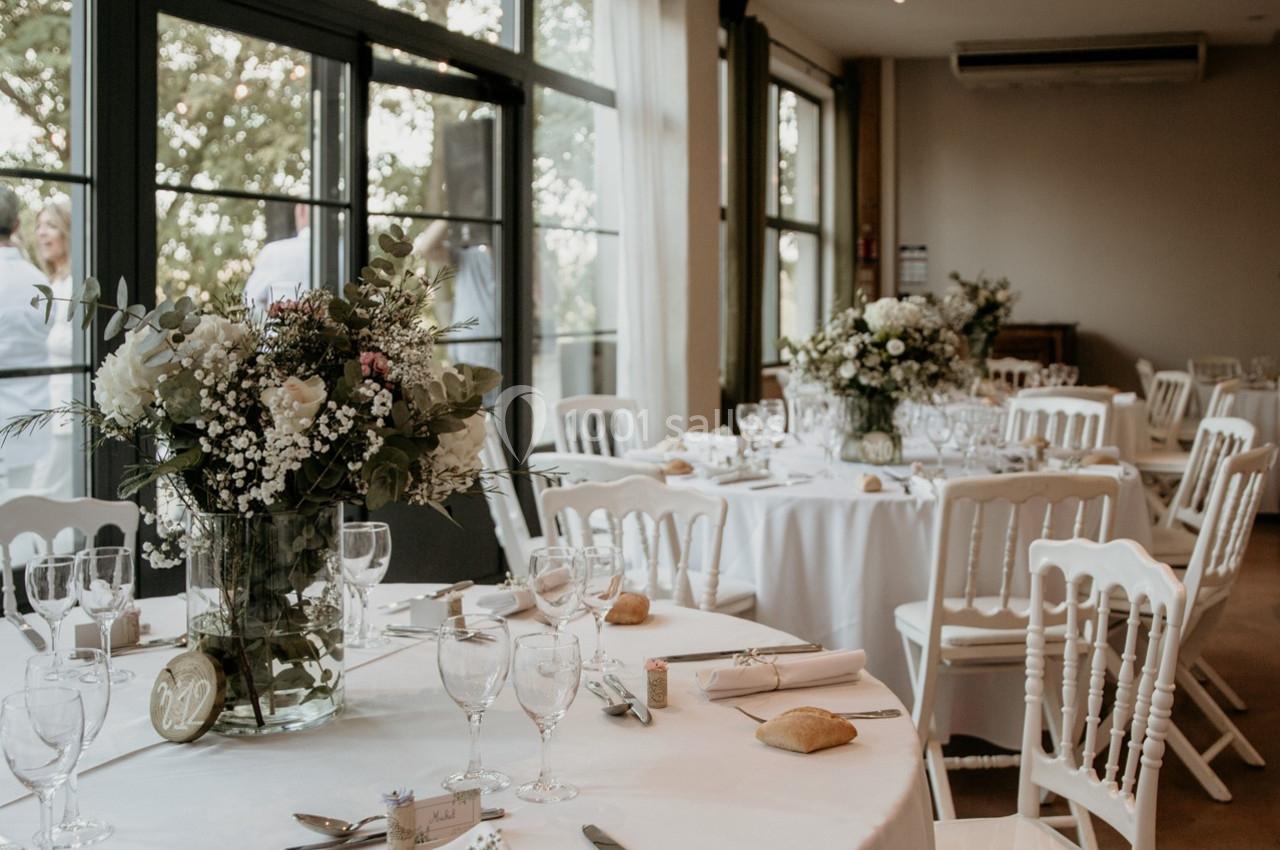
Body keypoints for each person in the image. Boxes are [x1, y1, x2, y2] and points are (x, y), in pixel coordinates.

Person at [0, 184, 53, 493]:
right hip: (30, 417)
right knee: (22, 507)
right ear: (17, 225)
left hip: (17, 417)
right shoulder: (37, 280)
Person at [416, 219, 500, 373]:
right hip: (470, 353)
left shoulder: (514, 258)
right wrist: (453, 215)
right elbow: (426, 248)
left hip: (502, 352)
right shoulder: (468, 257)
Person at [33, 198, 75, 498]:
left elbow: (76, 342)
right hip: (44, 406)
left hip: (66, 409)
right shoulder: (51, 282)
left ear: (67, 232)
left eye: (51, 225)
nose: (42, 233)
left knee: (45, 493)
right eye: (38, 226)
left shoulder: (75, 284)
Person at [244, 204, 310, 317]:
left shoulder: (274, 252)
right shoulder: (343, 252)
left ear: (301, 210)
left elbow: (249, 303)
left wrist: (271, 323)